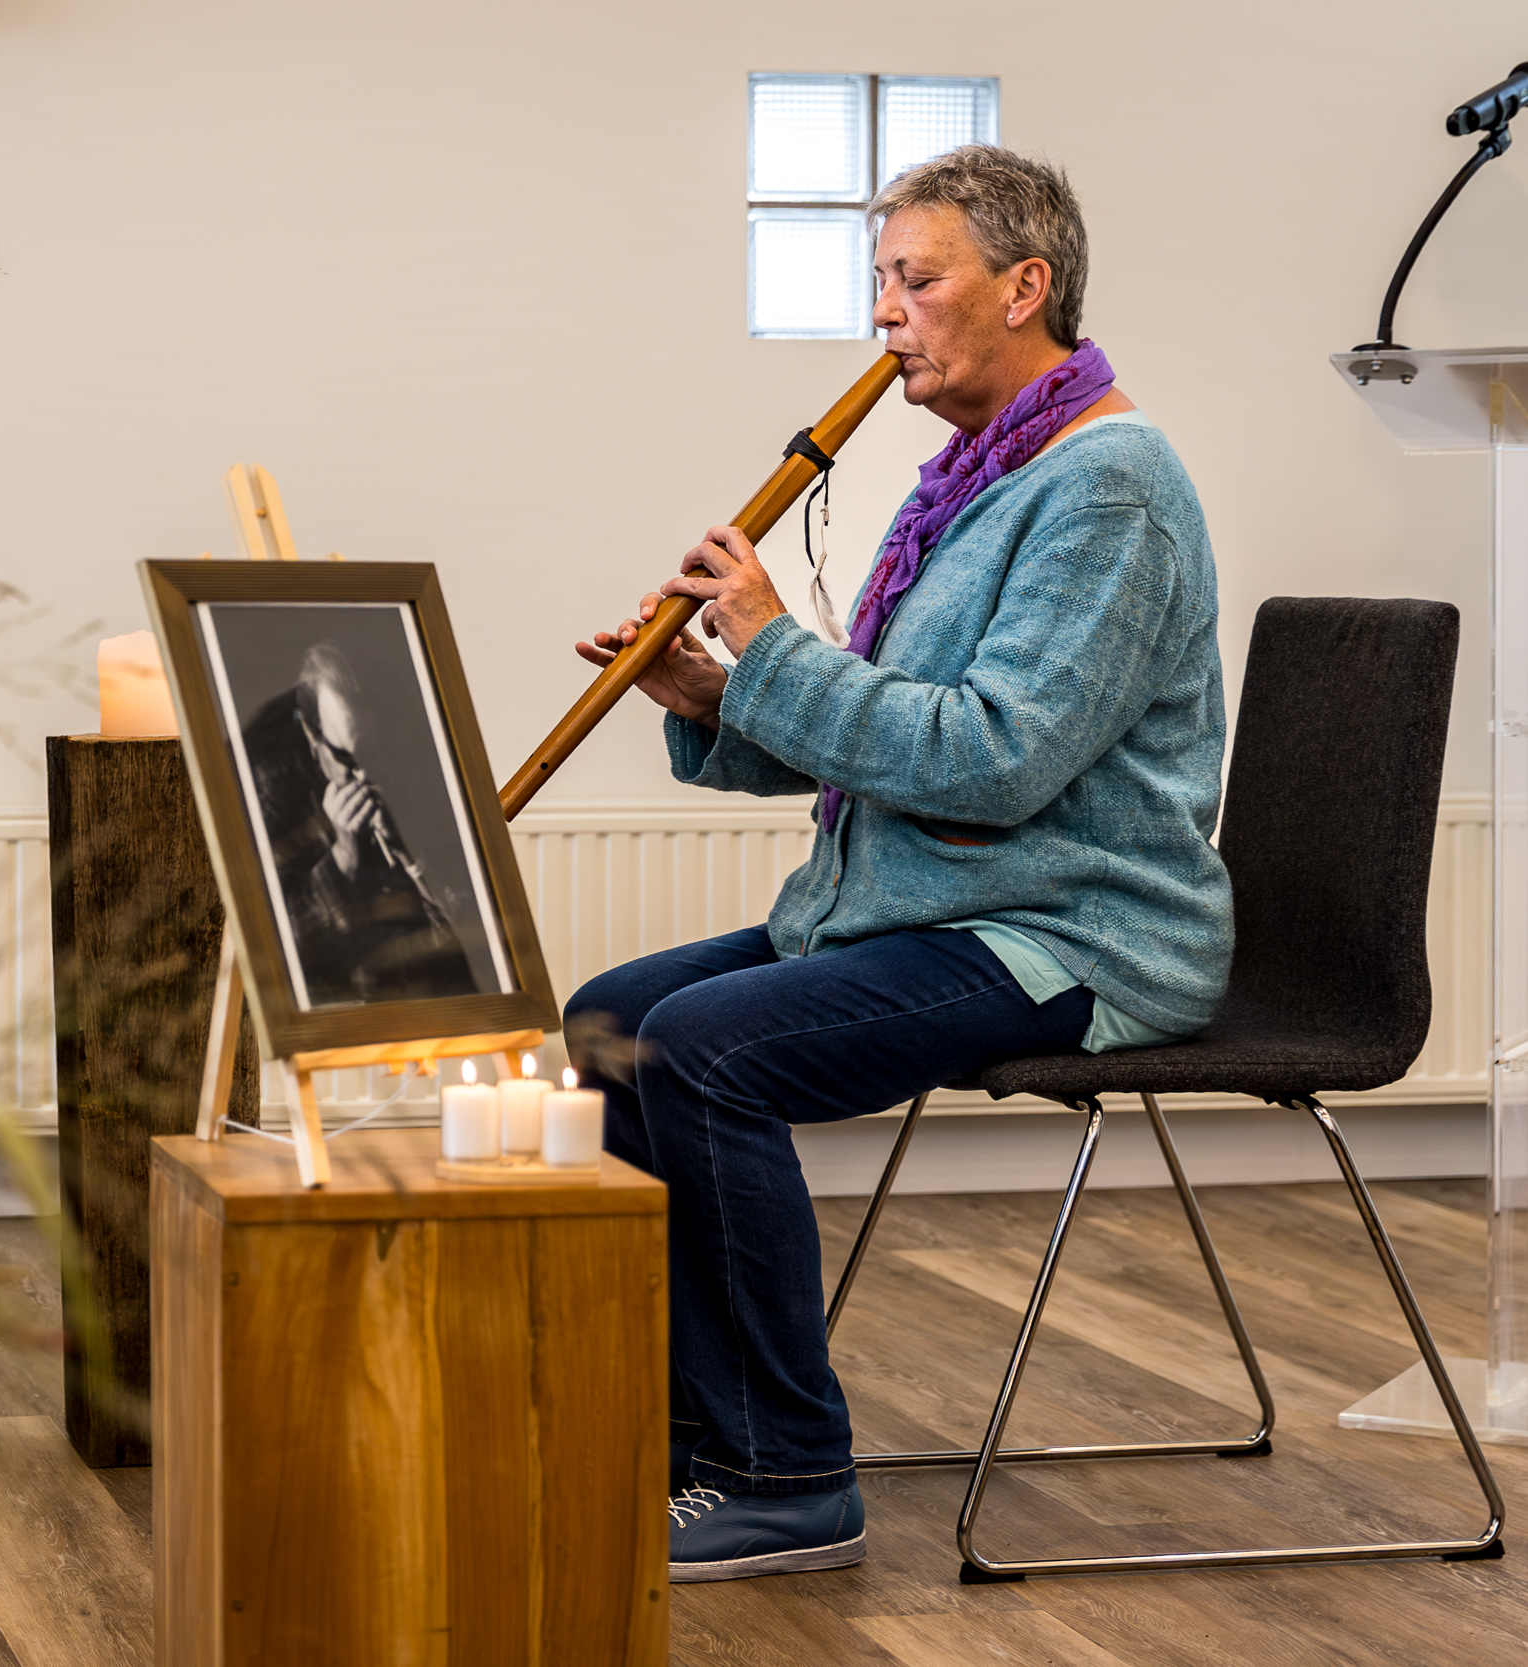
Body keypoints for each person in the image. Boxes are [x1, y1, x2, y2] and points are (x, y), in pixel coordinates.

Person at [564, 146, 1231, 1583]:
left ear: (1024, 286)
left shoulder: (1108, 488)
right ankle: (693, 1435)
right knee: (613, 1018)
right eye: (882, 281)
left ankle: (788, 1472)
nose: (885, 313)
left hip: (1070, 928)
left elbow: (993, 757)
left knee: (703, 1051)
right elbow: (898, 737)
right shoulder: (976, 483)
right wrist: (714, 694)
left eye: (915, 281)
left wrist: (770, 640)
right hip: (928, 903)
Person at [242, 642, 477, 1006]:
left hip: (441, 996)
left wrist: (411, 853)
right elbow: (279, 948)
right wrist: (342, 859)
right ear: (312, 736)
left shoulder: (426, 760)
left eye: (375, 753)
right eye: (346, 758)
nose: (365, 774)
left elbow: (475, 931)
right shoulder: (265, 788)